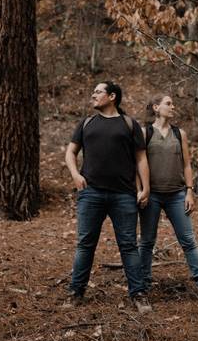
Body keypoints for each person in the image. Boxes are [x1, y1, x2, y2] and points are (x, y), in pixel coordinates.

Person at [64, 82, 153, 313]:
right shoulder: (86, 123)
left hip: (123, 195)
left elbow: (141, 158)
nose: (93, 95)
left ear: (112, 96)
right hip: (90, 193)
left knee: (128, 245)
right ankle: (76, 292)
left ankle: (139, 294)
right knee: (85, 244)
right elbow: (70, 152)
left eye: (98, 91)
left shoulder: (129, 124)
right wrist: (75, 175)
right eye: (93, 91)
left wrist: (145, 188)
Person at [138, 94, 198, 302]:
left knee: (188, 241)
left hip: (176, 195)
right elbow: (137, 164)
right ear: (156, 107)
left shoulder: (179, 134)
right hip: (151, 196)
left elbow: (187, 165)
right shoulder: (145, 133)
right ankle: (142, 286)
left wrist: (189, 191)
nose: (173, 107)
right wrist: (142, 190)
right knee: (146, 242)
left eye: (172, 104)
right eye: (168, 103)